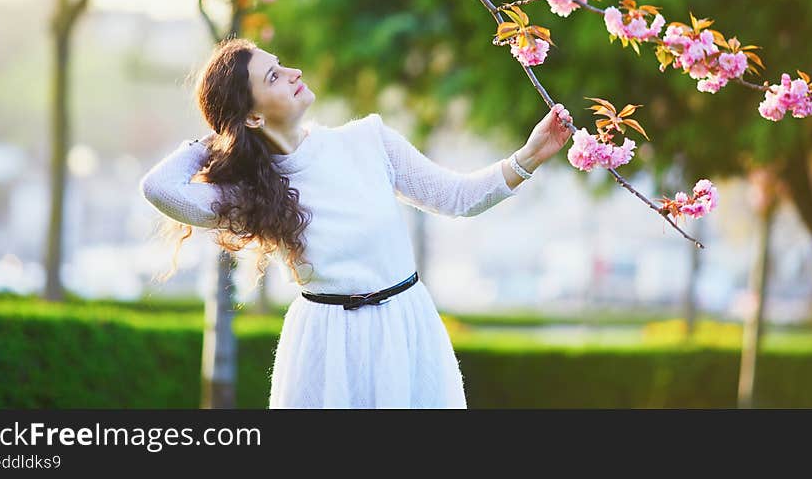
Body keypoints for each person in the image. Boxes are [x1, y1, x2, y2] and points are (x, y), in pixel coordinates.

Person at [139, 34, 573, 408]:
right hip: (325, 347)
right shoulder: (253, 191)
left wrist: (529, 156)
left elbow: (457, 197)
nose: (292, 72)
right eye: (272, 76)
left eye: (280, 64)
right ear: (252, 116)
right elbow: (160, 187)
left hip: (405, 331)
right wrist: (217, 138)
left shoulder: (369, 140)